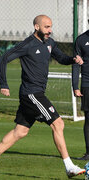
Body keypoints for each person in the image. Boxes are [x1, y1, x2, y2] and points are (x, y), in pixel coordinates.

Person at [0, 15, 85, 179]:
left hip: (35, 93)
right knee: (58, 123)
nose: (50, 30)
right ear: (36, 27)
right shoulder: (27, 44)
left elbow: (61, 58)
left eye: (51, 27)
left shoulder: (49, 43)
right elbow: (3, 59)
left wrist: (72, 59)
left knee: (20, 132)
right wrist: (3, 84)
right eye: (46, 27)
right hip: (31, 94)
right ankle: (69, 166)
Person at [72, 29, 89, 160]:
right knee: (88, 119)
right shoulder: (81, 40)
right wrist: (75, 86)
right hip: (87, 84)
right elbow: (76, 64)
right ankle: (88, 153)